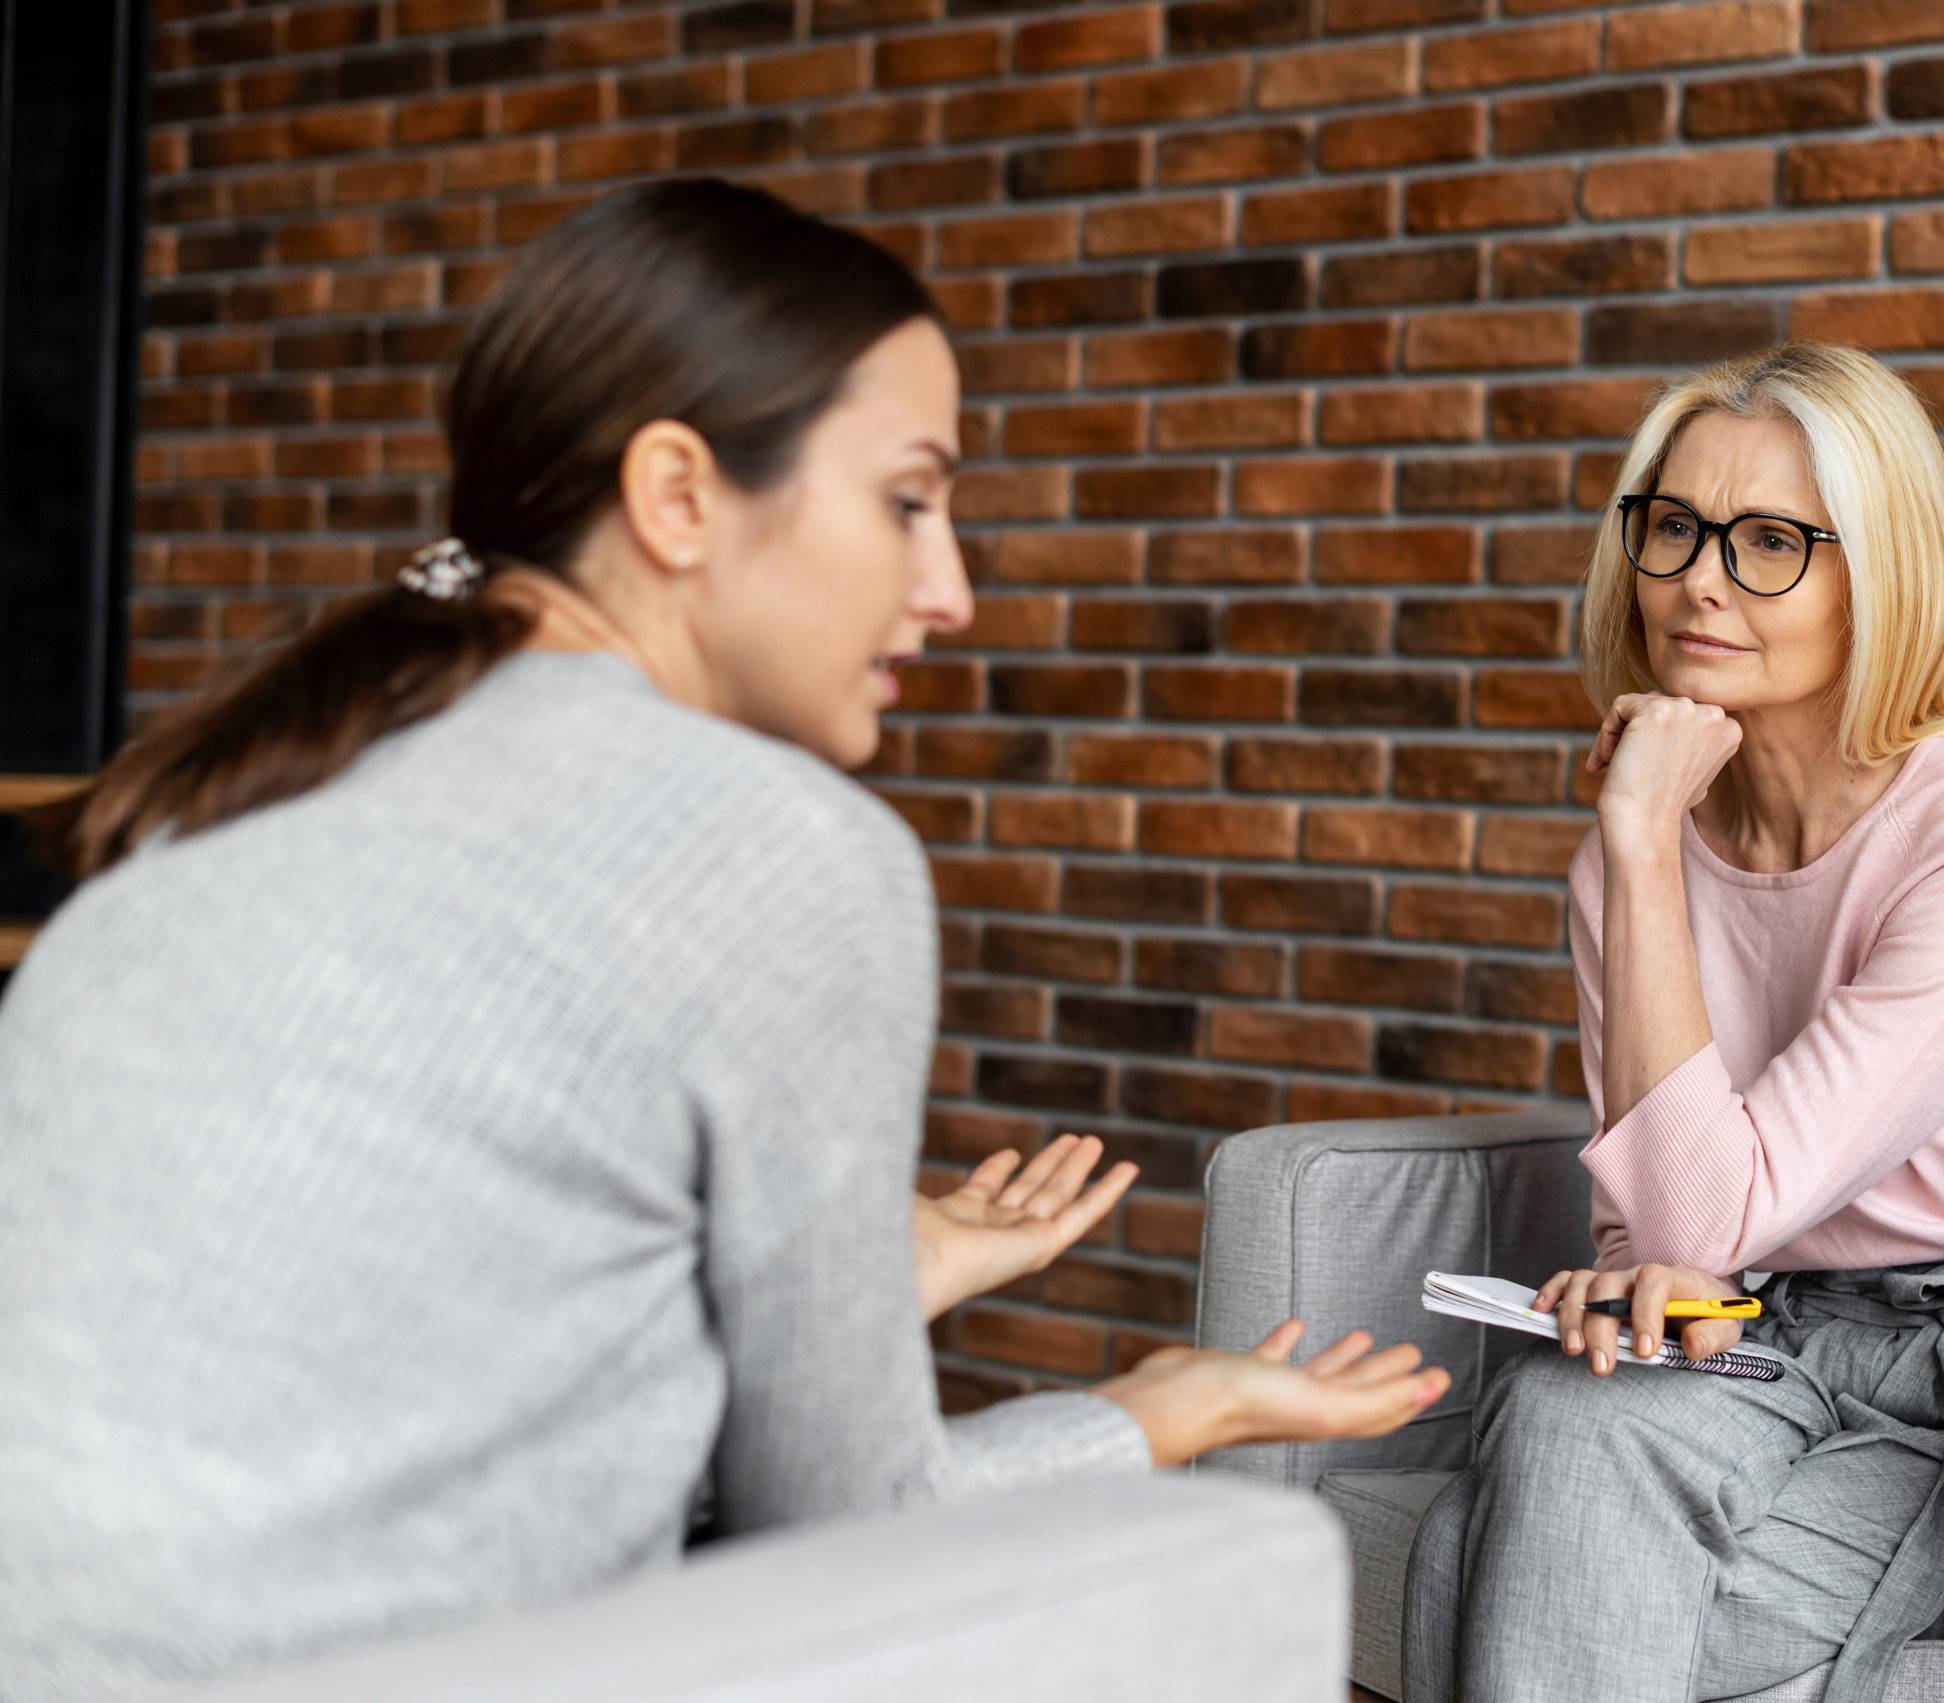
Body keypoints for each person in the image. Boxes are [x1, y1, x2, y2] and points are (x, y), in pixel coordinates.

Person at [0, 176, 1446, 1702]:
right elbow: (850, 1544)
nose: (950, 591)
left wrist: (890, 1277)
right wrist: (1166, 1409)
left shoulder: (245, 789)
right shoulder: (785, 851)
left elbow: (404, 1377)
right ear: (679, 496)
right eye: (908, 499)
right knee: (1236, 1566)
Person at [1398, 342, 1944, 1703]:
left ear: (1877, 573)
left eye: (1769, 543)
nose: (1699, 579)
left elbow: (1704, 1214)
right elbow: (1666, 1240)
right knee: (1565, 1424)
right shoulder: (1633, 856)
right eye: (1676, 527)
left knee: (1477, 1556)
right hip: (1756, 1329)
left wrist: (1635, 838)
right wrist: (1628, 1280)